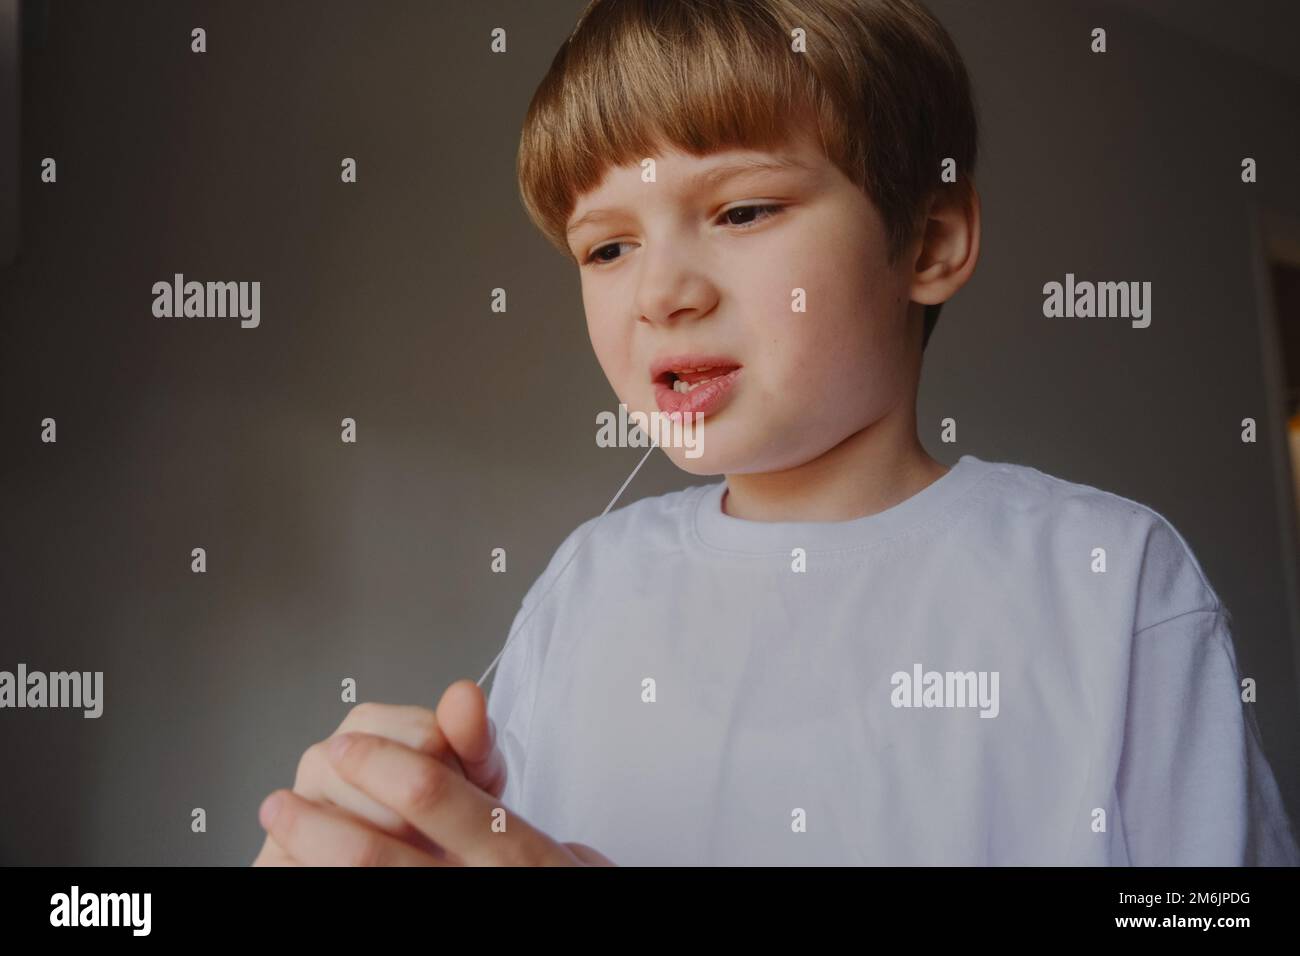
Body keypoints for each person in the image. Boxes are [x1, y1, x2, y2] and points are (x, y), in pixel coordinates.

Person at [253, 0, 1300, 866]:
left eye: (743, 211)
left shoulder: (1111, 580)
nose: (659, 292)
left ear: (928, 240)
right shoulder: (584, 584)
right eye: (606, 246)